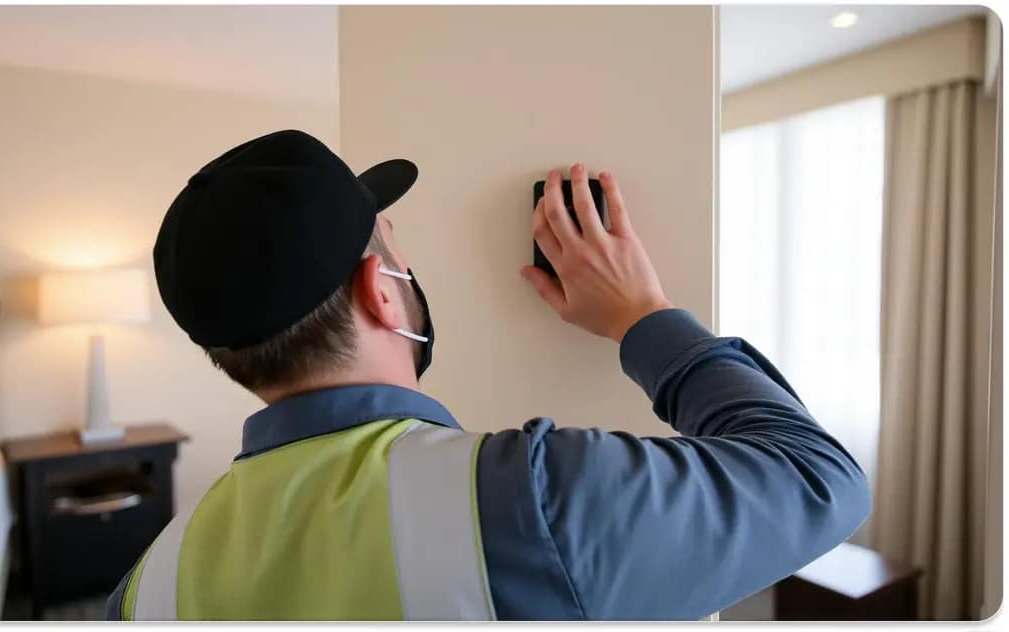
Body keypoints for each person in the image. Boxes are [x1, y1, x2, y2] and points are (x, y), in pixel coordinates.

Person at [106, 129, 870, 621]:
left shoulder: (145, 588)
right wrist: (644, 317)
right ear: (381, 289)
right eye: (397, 249)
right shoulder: (528, 499)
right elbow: (818, 480)